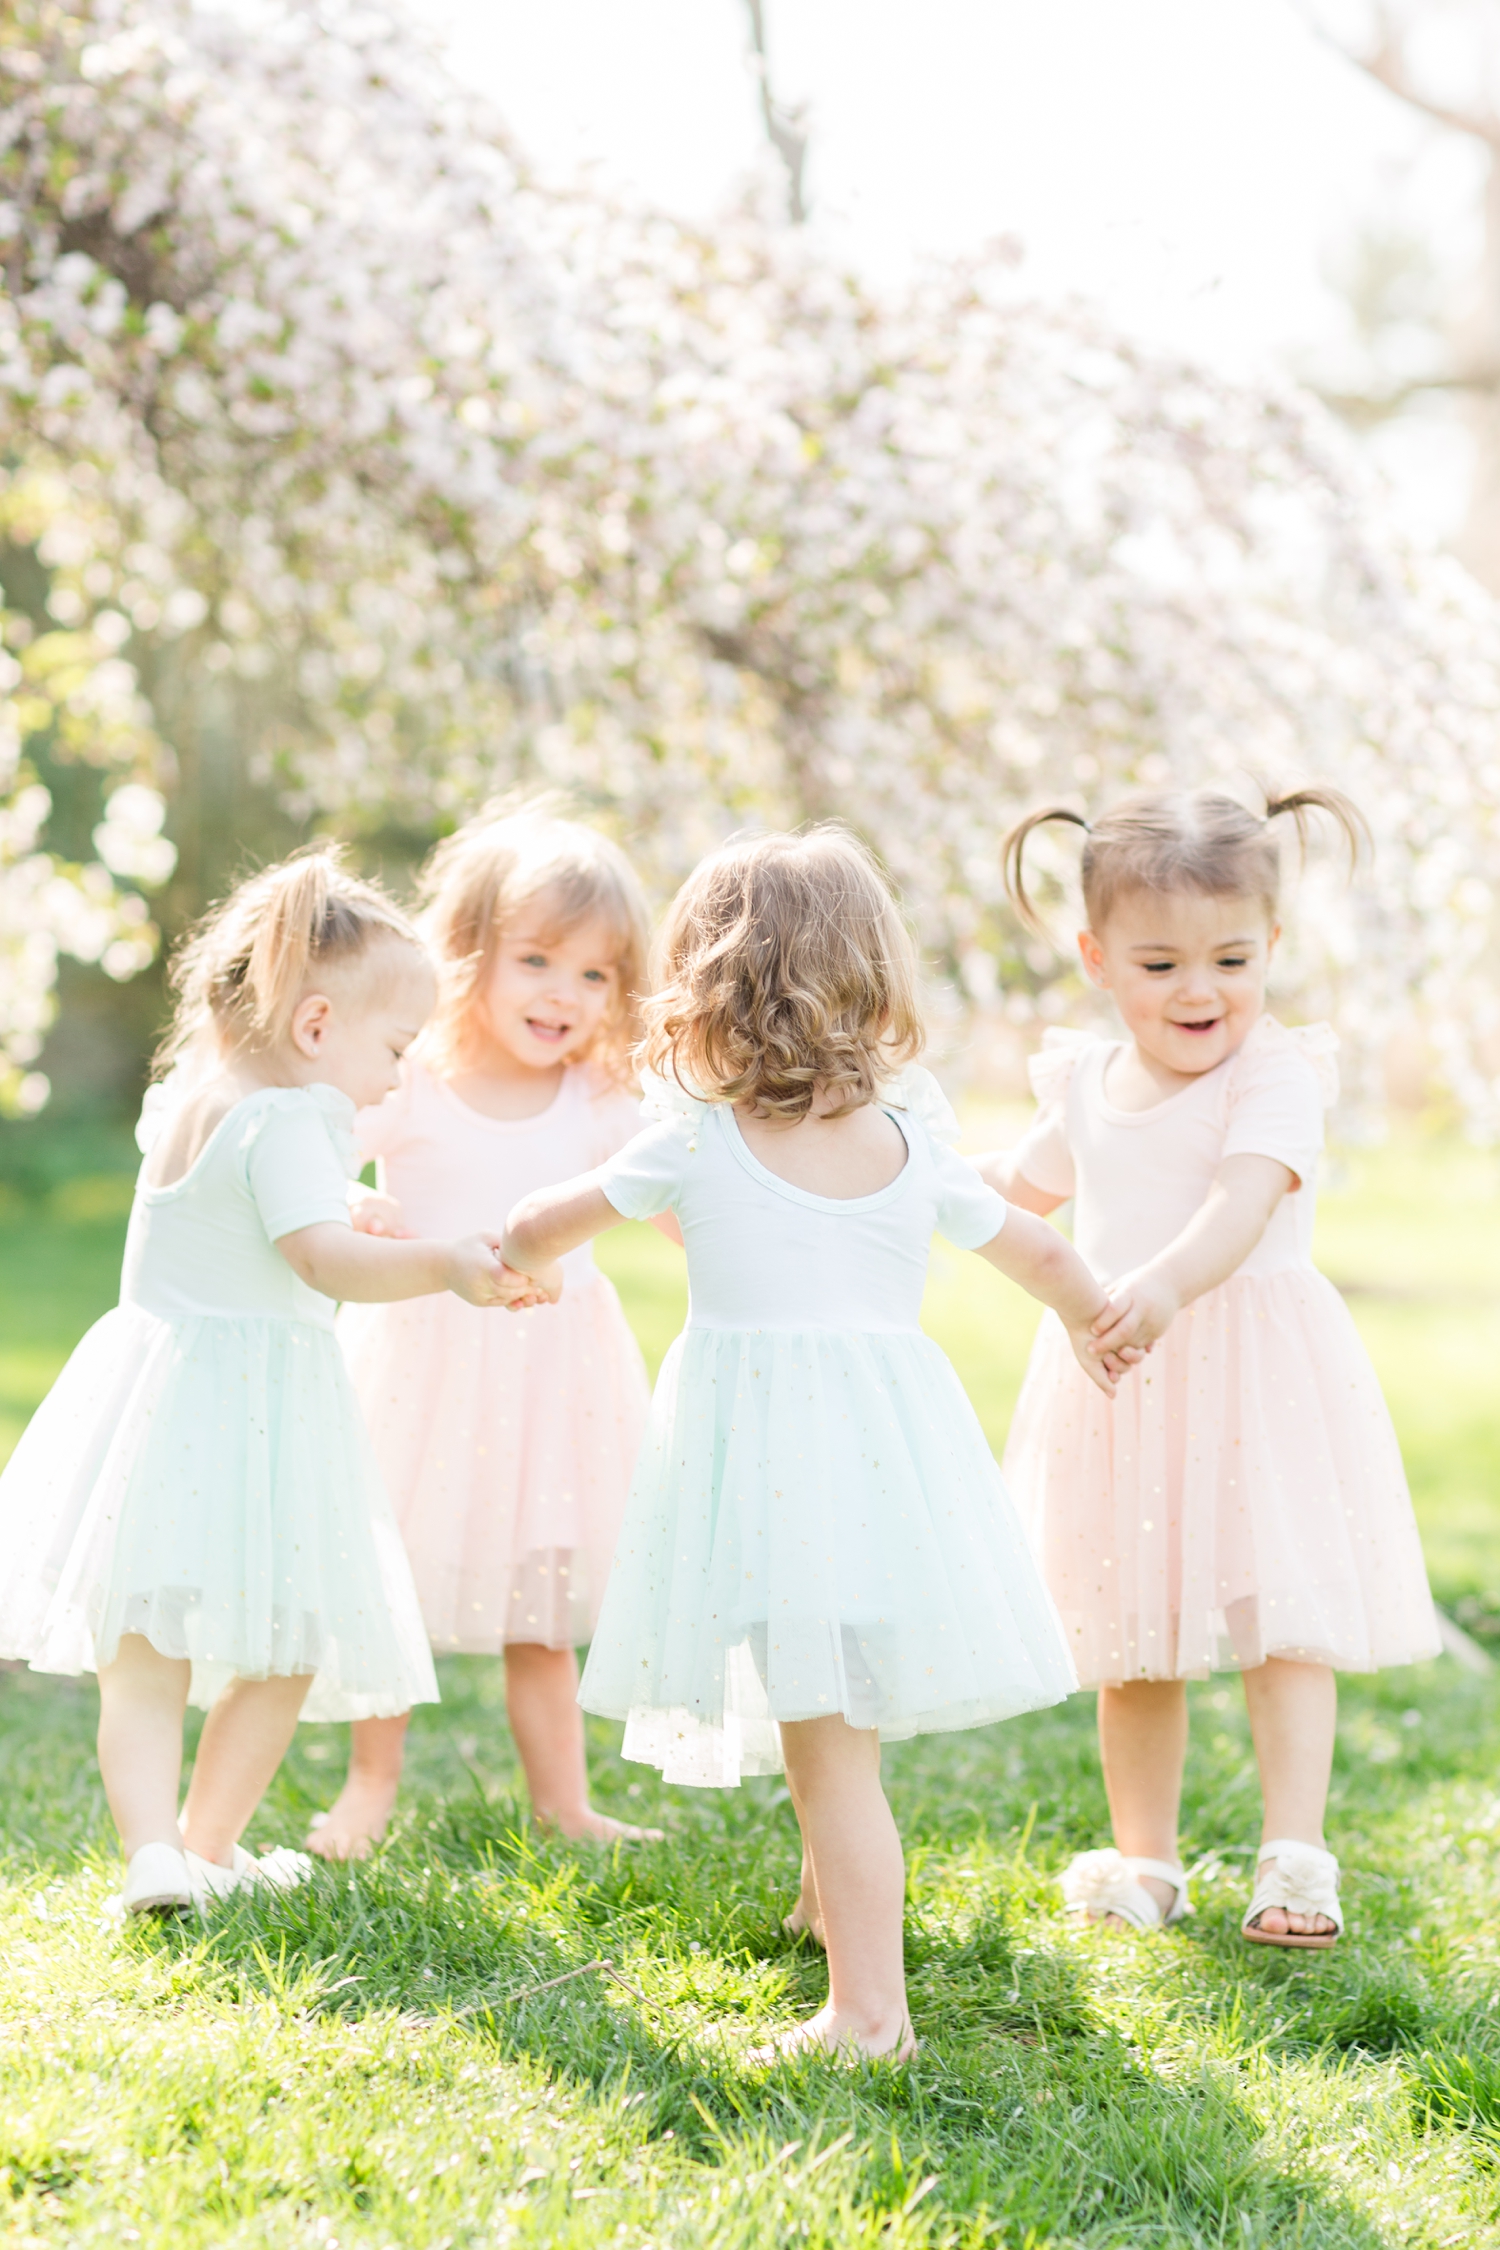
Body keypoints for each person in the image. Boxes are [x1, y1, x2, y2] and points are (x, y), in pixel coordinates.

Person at [500, 827, 1125, 2063]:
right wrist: (1092, 1319)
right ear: (871, 982)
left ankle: (869, 2013)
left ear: (704, 985)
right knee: (834, 1701)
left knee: (827, 1742)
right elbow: (1038, 1252)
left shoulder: (691, 1136)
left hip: (770, 1460)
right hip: (887, 1453)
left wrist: (508, 1260)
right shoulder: (909, 1138)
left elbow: (542, 1219)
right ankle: (822, 1897)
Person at [0, 850, 529, 1917]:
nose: (399, 1076)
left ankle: (158, 1853)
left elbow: (238, 1198)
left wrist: (340, 1194)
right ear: (317, 1026)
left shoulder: (195, 1095)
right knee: (284, 1648)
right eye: (394, 1047)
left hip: (157, 1404)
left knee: (142, 1659)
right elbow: (321, 1262)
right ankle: (210, 1844)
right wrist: (441, 1263)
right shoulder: (293, 1118)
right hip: (255, 1415)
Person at [983, 786, 1441, 1949]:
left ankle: (1296, 1857)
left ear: (1273, 946)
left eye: (1233, 958)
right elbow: (1011, 1198)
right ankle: (1146, 1861)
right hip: (1124, 1390)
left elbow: (1243, 1201)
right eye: (1162, 963)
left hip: (1252, 1380)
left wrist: (1168, 1286)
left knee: (1279, 1621)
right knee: (1130, 1635)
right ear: (1096, 959)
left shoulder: (1275, 1073)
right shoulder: (1084, 1081)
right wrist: (888, 1184)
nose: (1201, 991)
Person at [309, 798, 666, 1858]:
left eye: (595, 974)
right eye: (539, 960)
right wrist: (349, 1200)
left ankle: (564, 1801)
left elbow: (676, 1196)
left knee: (542, 1607)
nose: (565, 994)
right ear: (469, 953)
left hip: (556, 1376)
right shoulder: (409, 1081)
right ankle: (370, 1783)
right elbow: (316, 1146)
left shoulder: (599, 1099)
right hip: (423, 1365)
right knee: (393, 1583)